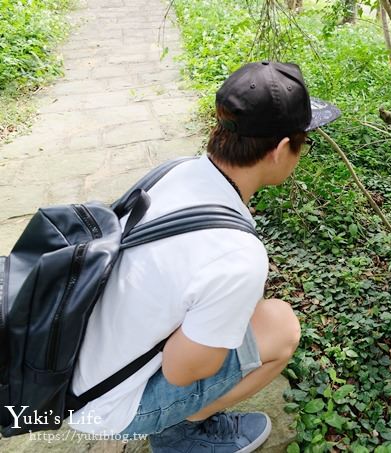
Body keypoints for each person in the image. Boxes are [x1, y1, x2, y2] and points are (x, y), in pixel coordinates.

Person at [67, 61, 341, 452]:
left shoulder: (175, 171)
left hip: (75, 362)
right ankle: (181, 435)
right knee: (280, 329)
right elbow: (182, 372)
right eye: (303, 141)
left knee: (244, 313)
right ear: (281, 150)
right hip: (102, 408)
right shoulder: (236, 256)